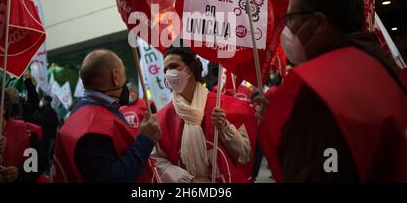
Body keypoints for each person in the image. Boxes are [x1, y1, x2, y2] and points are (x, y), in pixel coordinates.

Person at [259, 0, 407, 182]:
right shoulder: (384, 67)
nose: (287, 28)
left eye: (291, 18)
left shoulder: (316, 89)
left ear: (318, 23)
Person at [52, 49, 161, 183]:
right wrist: (145, 139)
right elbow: (110, 178)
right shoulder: (94, 125)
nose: (125, 80)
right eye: (124, 73)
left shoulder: (81, 112)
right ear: (115, 76)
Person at [152, 47, 257, 183]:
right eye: (165, 70)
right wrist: (184, 180)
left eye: (173, 66)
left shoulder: (227, 106)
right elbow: (158, 160)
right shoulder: (162, 119)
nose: (169, 73)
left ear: (190, 68)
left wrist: (225, 128)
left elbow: (244, 155)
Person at [33, 95, 61, 171]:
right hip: (50, 138)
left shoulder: (40, 110)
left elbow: (35, 121)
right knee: (47, 155)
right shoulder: (53, 112)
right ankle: (46, 171)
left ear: (45, 100)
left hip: (39, 136)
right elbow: (56, 123)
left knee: (39, 154)